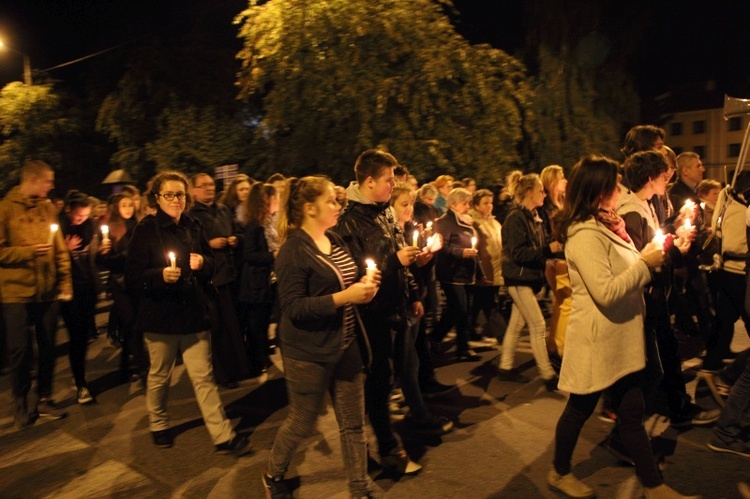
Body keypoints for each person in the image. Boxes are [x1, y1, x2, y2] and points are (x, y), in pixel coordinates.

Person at [549, 155, 700, 499]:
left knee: (630, 415)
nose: (619, 189)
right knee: (579, 409)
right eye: (613, 184)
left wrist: (659, 249)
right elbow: (606, 291)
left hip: (620, 338)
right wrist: (646, 264)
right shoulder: (584, 234)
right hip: (598, 340)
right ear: (598, 190)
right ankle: (558, 471)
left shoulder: (607, 225)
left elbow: (629, 266)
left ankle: (654, 487)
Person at [262, 175, 379, 499]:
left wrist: (367, 285)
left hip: (346, 344)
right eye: (331, 200)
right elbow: (295, 307)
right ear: (310, 208)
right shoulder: (293, 251)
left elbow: (348, 282)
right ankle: (273, 474)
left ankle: (359, 488)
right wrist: (347, 297)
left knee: (353, 423)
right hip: (308, 352)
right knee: (301, 422)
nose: (338, 204)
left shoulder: (335, 240)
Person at [125, 170, 249, 455]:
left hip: (193, 313)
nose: (175, 200)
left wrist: (203, 263)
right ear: (156, 198)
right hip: (160, 316)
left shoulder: (194, 226)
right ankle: (158, 424)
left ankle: (223, 435)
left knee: (203, 377)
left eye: (179, 194)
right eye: (168, 194)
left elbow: (211, 266)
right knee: (159, 375)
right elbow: (132, 276)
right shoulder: (145, 230)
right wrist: (159, 276)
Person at [334, 149, 423, 474]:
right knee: (377, 379)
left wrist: (412, 288)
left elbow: (398, 247)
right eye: (388, 180)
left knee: (393, 376)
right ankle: (387, 447)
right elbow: (356, 270)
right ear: (369, 181)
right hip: (372, 314)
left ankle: (383, 430)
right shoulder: (349, 222)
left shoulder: (384, 211)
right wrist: (394, 262)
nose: (392, 185)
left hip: (397, 306)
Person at [617, 151, 717, 429]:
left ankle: (634, 422)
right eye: (665, 174)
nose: (669, 178)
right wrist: (674, 248)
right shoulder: (632, 211)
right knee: (650, 368)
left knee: (657, 362)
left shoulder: (645, 204)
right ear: (650, 178)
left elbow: (657, 243)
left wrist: (676, 235)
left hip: (657, 297)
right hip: (648, 299)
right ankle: (627, 425)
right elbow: (644, 259)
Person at [1, 160, 72, 427]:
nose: (51, 186)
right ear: (33, 180)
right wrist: (28, 252)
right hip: (15, 293)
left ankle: (44, 398)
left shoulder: (47, 209)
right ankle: (20, 399)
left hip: (47, 291)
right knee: (19, 350)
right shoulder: (4, 209)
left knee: (48, 347)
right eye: (48, 181)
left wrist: (65, 283)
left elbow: (59, 250)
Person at [389, 184, 454, 433]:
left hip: (411, 298)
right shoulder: (391, 232)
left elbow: (412, 271)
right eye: (403, 204)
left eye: (410, 204)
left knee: (410, 360)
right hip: (397, 302)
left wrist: (426, 259)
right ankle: (412, 411)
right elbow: (395, 267)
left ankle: (416, 409)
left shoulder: (408, 229)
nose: (409, 209)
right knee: (403, 360)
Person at [498, 174, 560, 389]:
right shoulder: (516, 217)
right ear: (529, 193)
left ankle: (505, 367)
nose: (544, 194)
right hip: (518, 277)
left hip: (527, 277)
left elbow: (541, 246)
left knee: (517, 324)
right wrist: (547, 250)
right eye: (541, 190)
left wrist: (553, 249)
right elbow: (518, 253)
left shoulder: (533, 215)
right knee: (538, 324)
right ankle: (547, 374)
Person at [188, 173, 248, 388]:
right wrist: (208, 244)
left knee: (235, 325)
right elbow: (189, 245)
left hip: (231, 273)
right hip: (211, 278)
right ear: (193, 191)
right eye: (203, 186)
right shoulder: (192, 216)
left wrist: (235, 239)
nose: (209, 189)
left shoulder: (223, 210)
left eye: (211, 185)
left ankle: (239, 368)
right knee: (219, 328)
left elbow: (240, 232)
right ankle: (223, 373)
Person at [59, 190, 111, 404]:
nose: (81, 220)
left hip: (87, 288)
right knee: (76, 337)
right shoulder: (59, 226)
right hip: (67, 290)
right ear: (69, 210)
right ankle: (81, 384)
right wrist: (63, 248)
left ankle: (79, 377)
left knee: (83, 336)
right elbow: (49, 257)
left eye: (85, 216)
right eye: (78, 216)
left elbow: (95, 260)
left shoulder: (90, 226)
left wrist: (102, 250)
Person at [98, 192, 145, 382]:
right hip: (120, 284)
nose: (127, 208)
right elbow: (104, 262)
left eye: (130, 205)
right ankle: (143, 369)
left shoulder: (139, 227)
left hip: (137, 282)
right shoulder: (110, 229)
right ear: (117, 208)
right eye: (123, 205)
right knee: (132, 324)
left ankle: (125, 366)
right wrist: (105, 252)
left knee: (132, 327)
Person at [431, 188, 482, 360]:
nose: (468, 206)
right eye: (464, 203)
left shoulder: (466, 221)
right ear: (453, 204)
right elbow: (442, 247)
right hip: (451, 273)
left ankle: (436, 339)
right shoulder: (445, 222)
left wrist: (480, 271)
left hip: (468, 272)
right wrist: (461, 253)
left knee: (460, 311)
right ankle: (461, 347)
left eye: (469, 203)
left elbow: (474, 246)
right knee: (459, 310)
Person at [239, 182, 279, 377]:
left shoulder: (268, 223)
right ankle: (256, 362)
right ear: (265, 201)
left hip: (265, 283)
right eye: (274, 198)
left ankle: (262, 358)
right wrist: (273, 256)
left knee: (262, 324)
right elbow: (249, 255)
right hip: (255, 284)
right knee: (256, 326)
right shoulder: (254, 226)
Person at [539, 165, 569, 360]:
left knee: (561, 302)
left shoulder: (563, 203)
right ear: (552, 182)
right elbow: (545, 235)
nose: (565, 181)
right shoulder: (545, 207)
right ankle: (556, 346)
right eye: (562, 178)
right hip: (554, 259)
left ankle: (554, 342)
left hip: (563, 256)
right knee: (562, 300)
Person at [469, 188, 505, 342]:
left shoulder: (494, 222)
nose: (489, 206)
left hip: (496, 269)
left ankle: (469, 331)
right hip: (484, 270)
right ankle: (503, 334)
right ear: (476, 205)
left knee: (478, 304)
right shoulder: (473, 223)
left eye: (491, 203)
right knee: (490, 304)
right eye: (485, 203)